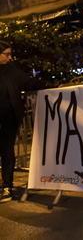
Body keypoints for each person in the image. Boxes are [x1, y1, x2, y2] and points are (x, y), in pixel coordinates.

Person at [0, 41, 44, 202]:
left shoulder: (11, 71)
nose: (9, 57)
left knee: (6, 152)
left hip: (7, 119)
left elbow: (29, 83)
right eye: (6, 54)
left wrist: (48, 85)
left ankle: (7, 186)